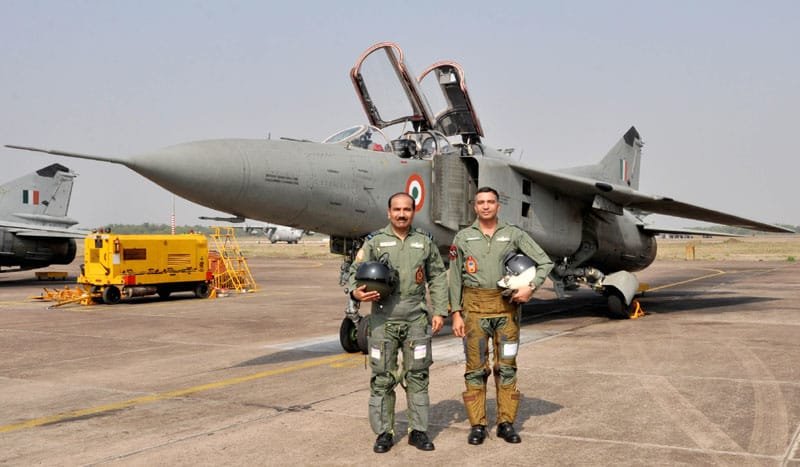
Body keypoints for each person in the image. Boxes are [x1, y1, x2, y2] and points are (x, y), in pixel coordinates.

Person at [449, 186, 554, 445]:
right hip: (473, 310)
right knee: (475, 369)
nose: (485, 206)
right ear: (474, 206)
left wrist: (530, 287)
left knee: (506, 367)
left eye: (491, 202)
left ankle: (506, 423)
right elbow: (454, 278)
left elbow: (545, 262)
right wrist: (455, 313)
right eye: (481, 202)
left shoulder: (513, 234)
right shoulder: (463, 238)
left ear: (498, 206)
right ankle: (477, 425)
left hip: (506, 309)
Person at [348, 192, 448, 454]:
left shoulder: (424, 242)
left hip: (416, 319)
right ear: (388, 212)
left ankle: (418, 431)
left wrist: (439, 311)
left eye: (407, 209)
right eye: (397, 209)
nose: (402, 214)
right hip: (383, 322)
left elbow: (437, 276)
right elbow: (353, 273)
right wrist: (355, 292)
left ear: (413, 212)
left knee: (418, 377)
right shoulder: (375, 242)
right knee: (382, 379)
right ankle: (384, 433)